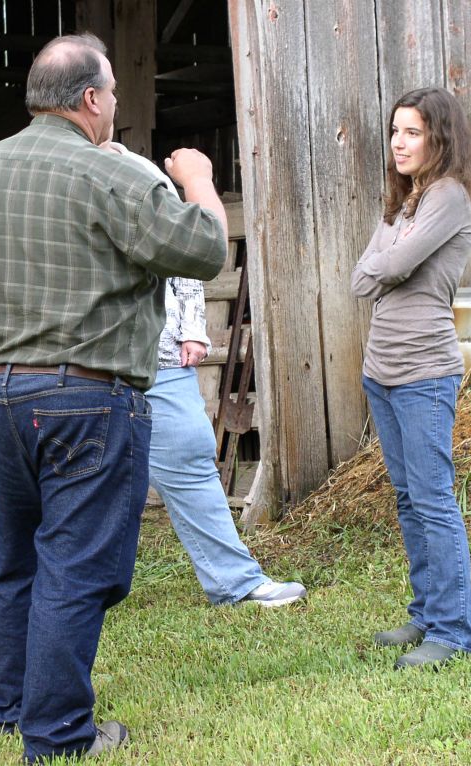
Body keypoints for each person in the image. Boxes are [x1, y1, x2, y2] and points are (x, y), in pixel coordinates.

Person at [0, 33, 227, 763]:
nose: (117, 108)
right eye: (115, 94)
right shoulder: (107, 174)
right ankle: (57, 733)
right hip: (84, 401)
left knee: (16, 556)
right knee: (76, 566)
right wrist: (199, 181)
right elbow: (206, 250)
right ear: (90, 100)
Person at [105, 141, 305, 608]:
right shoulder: (68, 184)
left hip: (159, 355)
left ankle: (236, 582)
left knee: (192, 460)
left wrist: (191, 328)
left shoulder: (142, 178)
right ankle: (79, 591)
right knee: (90, 475)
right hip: (90, 362)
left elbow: (188, 261)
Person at [350, 87, 471, 669]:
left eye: (412, 132)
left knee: (432, 501)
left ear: (438, 138)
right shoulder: (406, 203)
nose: (399, 143)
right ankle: (428, 613)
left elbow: (390, 266)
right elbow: (362, 278)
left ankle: (453, 633)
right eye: (395, 132)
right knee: (408, 499)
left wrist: (385, 263)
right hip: (382, 370)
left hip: (424, 372)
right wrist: (383, 264)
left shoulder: (449, 197)